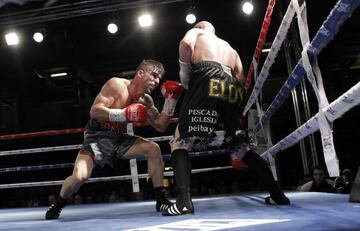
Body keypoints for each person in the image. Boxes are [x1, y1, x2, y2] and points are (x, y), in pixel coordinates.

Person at [162, 21, 290, 216]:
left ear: (201, 26)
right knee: (242, 149)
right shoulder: (230, 48)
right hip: (231, 88)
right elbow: (241, 77)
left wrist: (187, 78)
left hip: (206, 78)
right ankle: (278, 195)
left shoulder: (197, 32)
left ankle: (183, 202)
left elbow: (185, 45)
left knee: (179, 143)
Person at [45, 59, 183, 219]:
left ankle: (161, 200)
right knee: (80, 176)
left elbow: (160, 126)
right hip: (96, 141)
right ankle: (59, 204)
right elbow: (94, 111)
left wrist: (170, 102)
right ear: (140, 73)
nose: (157, 80)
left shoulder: (145, 101)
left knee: (154, 149)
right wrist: (123, 114)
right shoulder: (117, 85)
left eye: (159, 78)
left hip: (119, 140)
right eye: (154, 75)